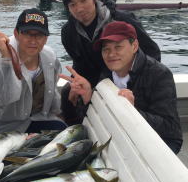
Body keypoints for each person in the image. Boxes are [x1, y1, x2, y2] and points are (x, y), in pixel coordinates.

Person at [59, 21, 183, 154]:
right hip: (123, 135)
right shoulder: (107, 72)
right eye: (106, 49)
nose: (111, 54)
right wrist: (89, 97)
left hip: (160, 141)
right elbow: (97, 117)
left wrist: (132, 110)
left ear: (134, 46)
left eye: (118, 47)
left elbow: (170, 128)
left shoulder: (159, 74)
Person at [60, 0, 161, 125]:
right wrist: (77, 83)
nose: (79, 9)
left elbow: (153, 53)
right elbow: (79, 63)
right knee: (68, 93)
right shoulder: (68, 33)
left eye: (83, 0)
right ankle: (75, 134)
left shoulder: (123, 20)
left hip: (128, 81)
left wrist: (133, 83)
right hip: (97, 82)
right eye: (72, 4)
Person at [0, 8, 66, 134]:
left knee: (62, 130)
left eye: (39, 35)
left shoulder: (49, 57)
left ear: (46, 38)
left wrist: (58, 114)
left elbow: (52, 92)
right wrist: (6, 59)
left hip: (36, 120)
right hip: (1, 126)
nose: (33, 40)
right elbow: (2, 99)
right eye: (27, 33)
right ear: (16, 34)